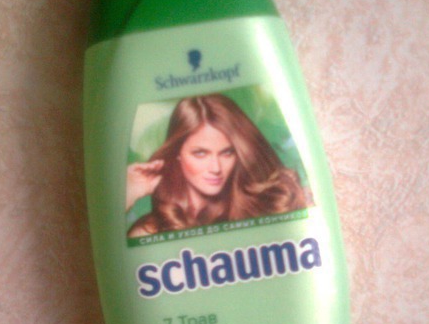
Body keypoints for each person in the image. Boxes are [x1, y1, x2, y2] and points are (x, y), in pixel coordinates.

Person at [126, 94, 309, 237]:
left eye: (227, 153)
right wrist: (128, 194)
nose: (215, 168)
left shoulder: (271, 206)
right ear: (177, 154)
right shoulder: (149, 231)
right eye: (200, 153)